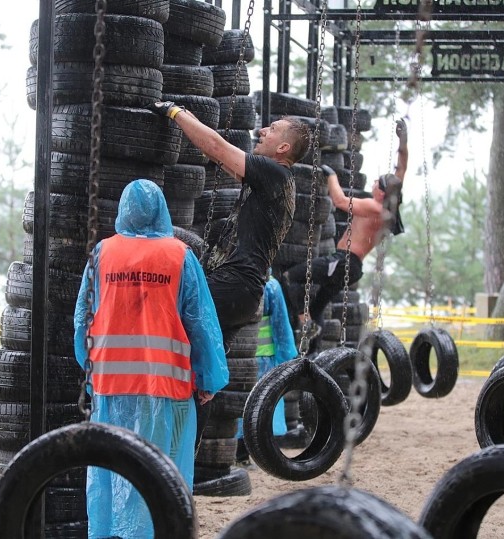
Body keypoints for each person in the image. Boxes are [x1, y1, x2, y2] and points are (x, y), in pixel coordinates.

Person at [73, 179, 228, 538]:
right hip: (166, 387)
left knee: (111, 470)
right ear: (162, 210)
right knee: (164, 470)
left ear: (122, 209)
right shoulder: (179, 255)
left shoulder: (101, 254)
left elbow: (83, 316)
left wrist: (89, 364)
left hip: (111, 386)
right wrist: (208, 379)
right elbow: (200, 321)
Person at [147, 100, 311, 347]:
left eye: (273, 129)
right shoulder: (275, 181)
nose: (262, 131)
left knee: (163, 332)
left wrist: (174, 111)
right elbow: (213, 151)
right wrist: (185, 115)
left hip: (233, 284)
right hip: (244, 293)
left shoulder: (273, 172)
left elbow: (216, 146)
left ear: (283, 147)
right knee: (204, 371)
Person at [280, 118, 408, 334]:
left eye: (377, 182)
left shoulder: (374, 207)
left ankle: (304, 322)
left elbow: (339, 201)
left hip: (343, 261)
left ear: (382, 192)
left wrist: (330, 175)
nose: (373, 183)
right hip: (352, 266)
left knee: (290, 277)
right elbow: (402, 169)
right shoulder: (387, 212)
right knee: (318, 308)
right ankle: (313, 345)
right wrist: (403, 141)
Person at [236, 270, 298, 464]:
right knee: (261, 407)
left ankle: (237, 454)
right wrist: (287, 358)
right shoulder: (270, 286)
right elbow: (281, 325)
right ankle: (246, 454)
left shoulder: (231, 279)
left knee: (236, 405)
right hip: (264, 359)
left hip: (235, 359)